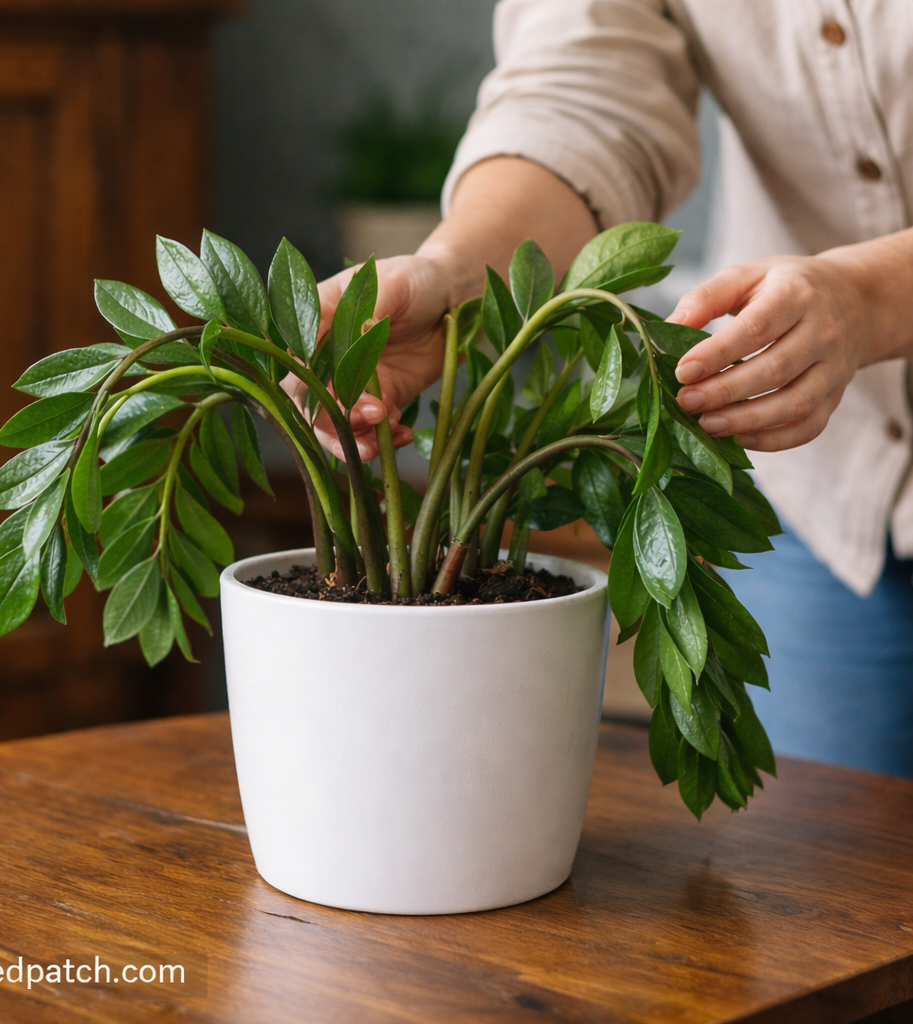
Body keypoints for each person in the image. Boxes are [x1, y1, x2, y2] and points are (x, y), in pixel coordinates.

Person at [315, 1, 913, 776]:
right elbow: (585, 90)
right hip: (829, 482)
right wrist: (456, 273)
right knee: (827, 877)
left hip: (810, 401)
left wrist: (874, 297)